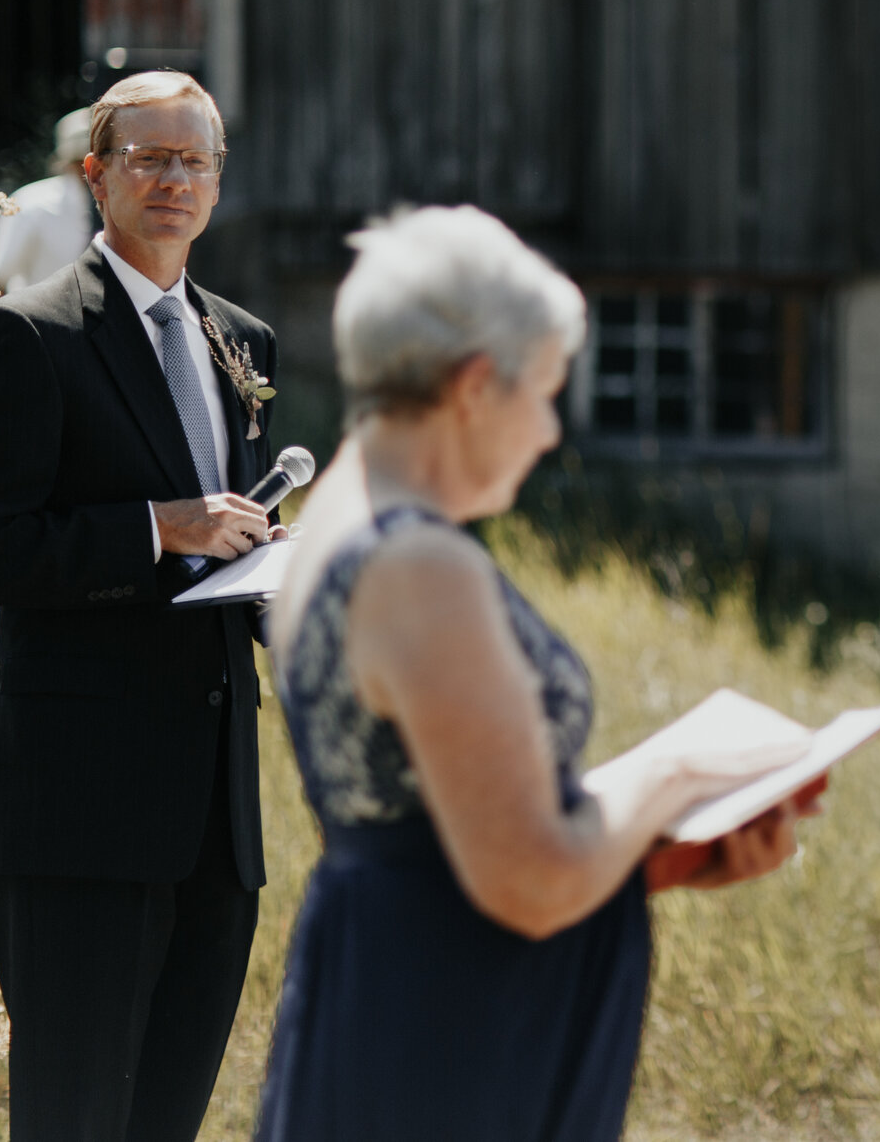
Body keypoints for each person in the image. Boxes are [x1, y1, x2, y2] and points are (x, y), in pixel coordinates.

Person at [254, 206, 821, 1142]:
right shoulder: (419, 564)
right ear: (477, 385)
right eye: (548, 392)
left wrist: (647, 843)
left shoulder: (341, 518)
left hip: (401, 985)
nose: (552, 430)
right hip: (454, 1031)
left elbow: (445, 821)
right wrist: (683, 770)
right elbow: (527, 879)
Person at [0, 70, 285, 1141]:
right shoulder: (30, 337)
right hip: (80, 813)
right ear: (96, 175)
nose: (174, 177)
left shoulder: (244, 341)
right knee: (72, 1122)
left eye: (195, 158)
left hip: (215, 822)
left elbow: (223, 555)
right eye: (148, 155)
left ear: (218, 181)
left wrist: (295, 579)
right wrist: (157, 525)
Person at [0, 108, 96, 294]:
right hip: (35, 320)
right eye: (82, 163)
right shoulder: (31, 203)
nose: (90, 173)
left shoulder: (125, 205)